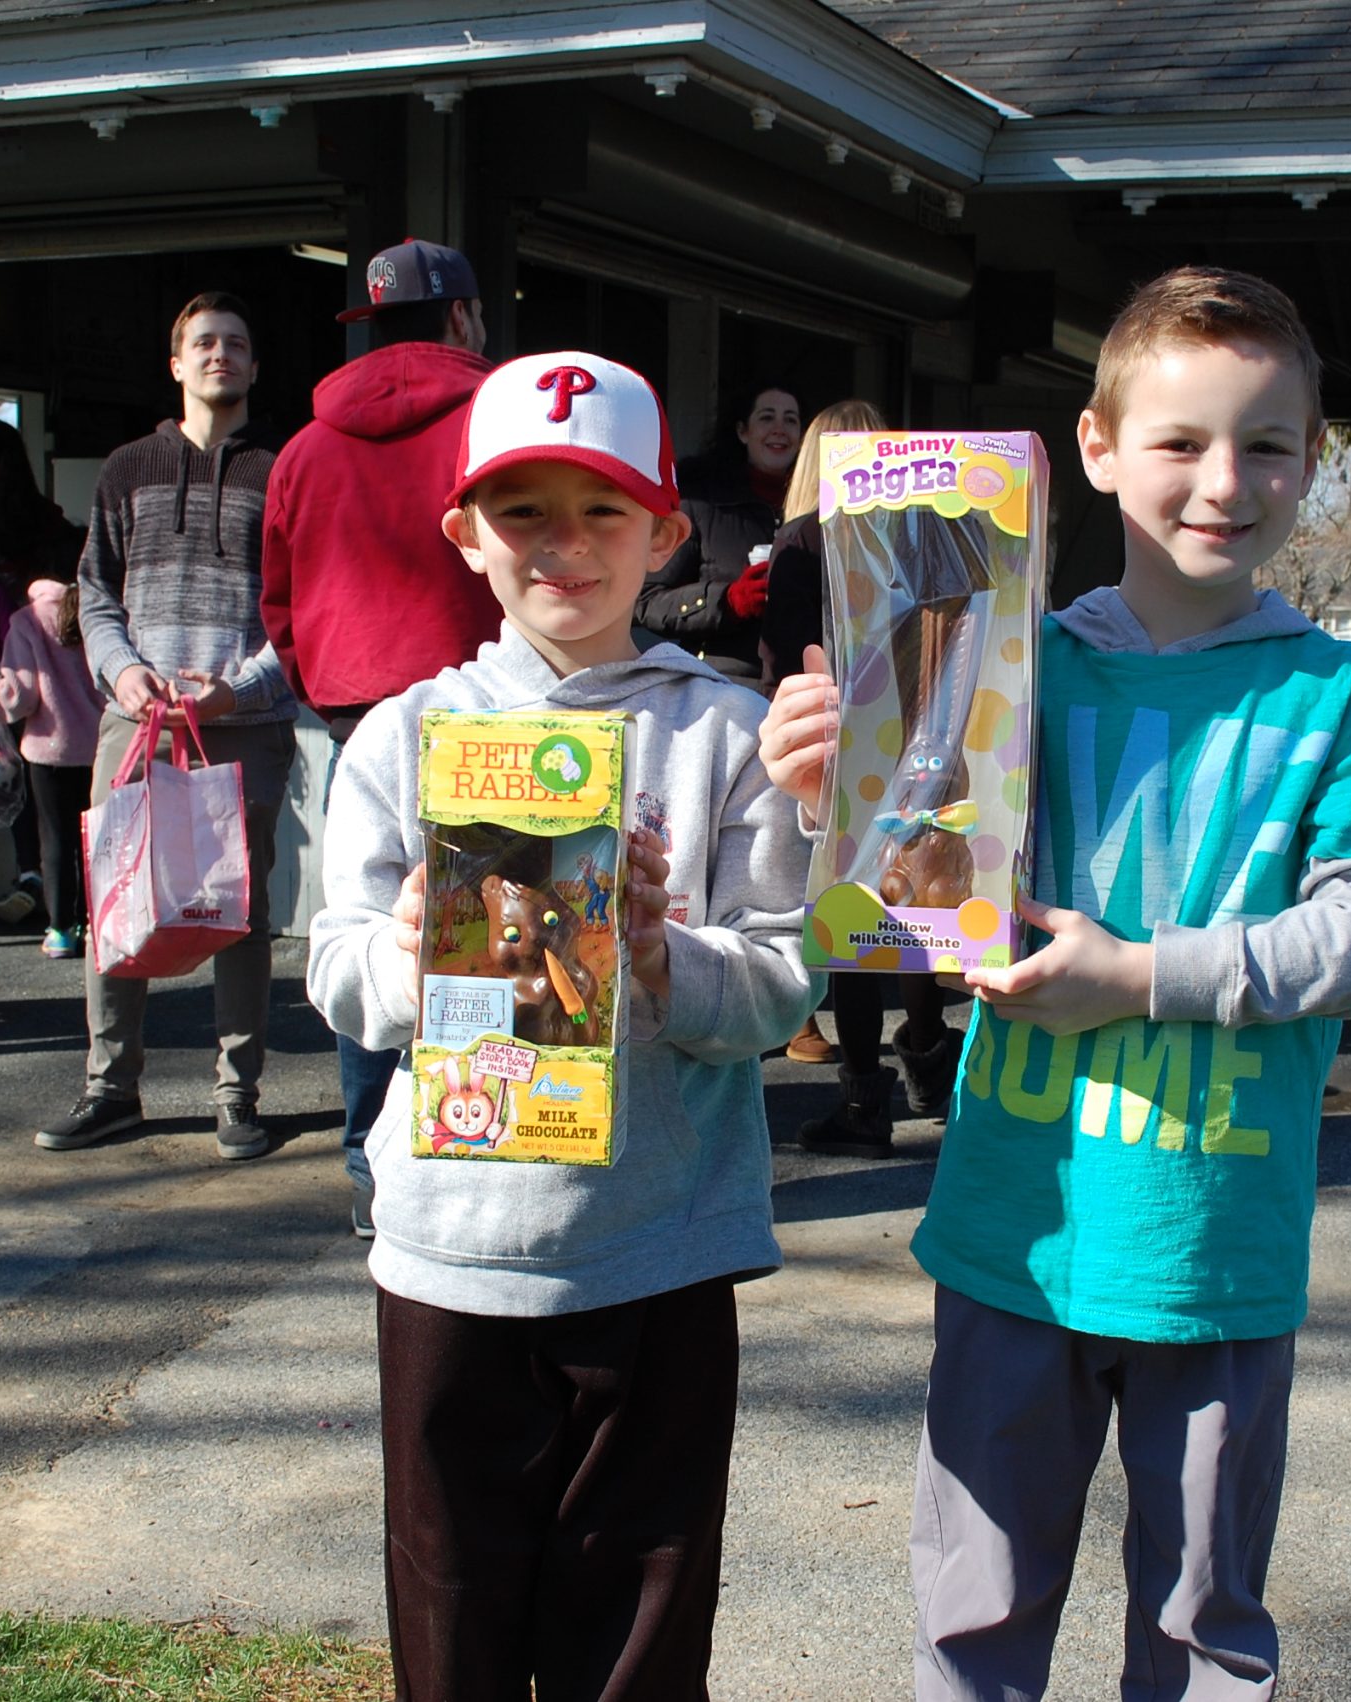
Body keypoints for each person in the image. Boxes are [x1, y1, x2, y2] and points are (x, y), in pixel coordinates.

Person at [761, 265, 1351, 1701]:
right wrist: (832, 792)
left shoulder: (1340, 696)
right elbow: (862, 911)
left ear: (1313, 460)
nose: (1223, 480)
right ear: (1096, 450)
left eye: (1267, 443)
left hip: (1220, 1253)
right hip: (1018, 1232)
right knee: (976, 1615)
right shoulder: (999, 670)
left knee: (1205, 1634)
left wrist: (1142, 972)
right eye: (1182, 442)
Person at [305, 351, 817, 1700]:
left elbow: (781, 985)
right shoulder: (402, 737)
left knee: (636, 1638)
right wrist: (405, 953)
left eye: (602, 512)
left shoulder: (727, 734)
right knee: (454, 1618)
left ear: (667, 530)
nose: (565, 547)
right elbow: (338, 972)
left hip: (658, 1248)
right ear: (465, 533)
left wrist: (660, 954)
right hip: (449, 1257)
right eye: (525, 510)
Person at [262, 236, 499, 1237]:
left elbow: (276, 600)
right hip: (486, 706)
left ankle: (368, 1158)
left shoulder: (304, 448)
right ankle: (491, 1134)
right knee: (491, 935)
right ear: (460, 318)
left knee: (372, 932)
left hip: (359, 714)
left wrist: (329, 694)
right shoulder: (496, 419)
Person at [37, 290, 294, 1162]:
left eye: (237, 342)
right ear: (177, 363)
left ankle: (237, 1095)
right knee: (119, 899)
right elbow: (95, 592)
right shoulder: (126, 469)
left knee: (240, 913)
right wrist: (121, 671)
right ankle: (111, 1090)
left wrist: (242, 689)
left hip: (242, 722)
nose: (221, 354)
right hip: (136, 720)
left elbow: (301, 612)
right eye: (204, 343)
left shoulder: (285, 473)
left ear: (255, 366)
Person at [762, 398, 959, 1154]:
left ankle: (862, 1103)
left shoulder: (799, 541)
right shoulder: (921, 535)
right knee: (916, 894)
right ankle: (927, 1056)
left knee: (851, 915)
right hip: (927, 728)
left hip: (835, 735)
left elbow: (784, 654)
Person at [0, 413, 79, 925]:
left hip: (16, 651)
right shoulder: (30, 517)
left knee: (35, 772)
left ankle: (40, 883)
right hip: (21, 651)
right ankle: (53, 891)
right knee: (36, 775)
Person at [635, 381, 800, 686]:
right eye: (767, 417)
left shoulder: (816, 511)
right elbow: (645, 602)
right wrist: (729, 601)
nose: (780, 428)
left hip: (799, 693)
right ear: (742, 432)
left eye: (791, 419)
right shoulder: (702, 504)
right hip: (721, 689)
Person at [0, 574, 109, 960]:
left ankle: (61, 930)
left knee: (56, 840)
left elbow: (20, 698)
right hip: (101, 746)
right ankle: (99, 923)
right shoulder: (98, 611)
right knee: (100, 839)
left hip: (50, 750)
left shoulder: (27, 621)